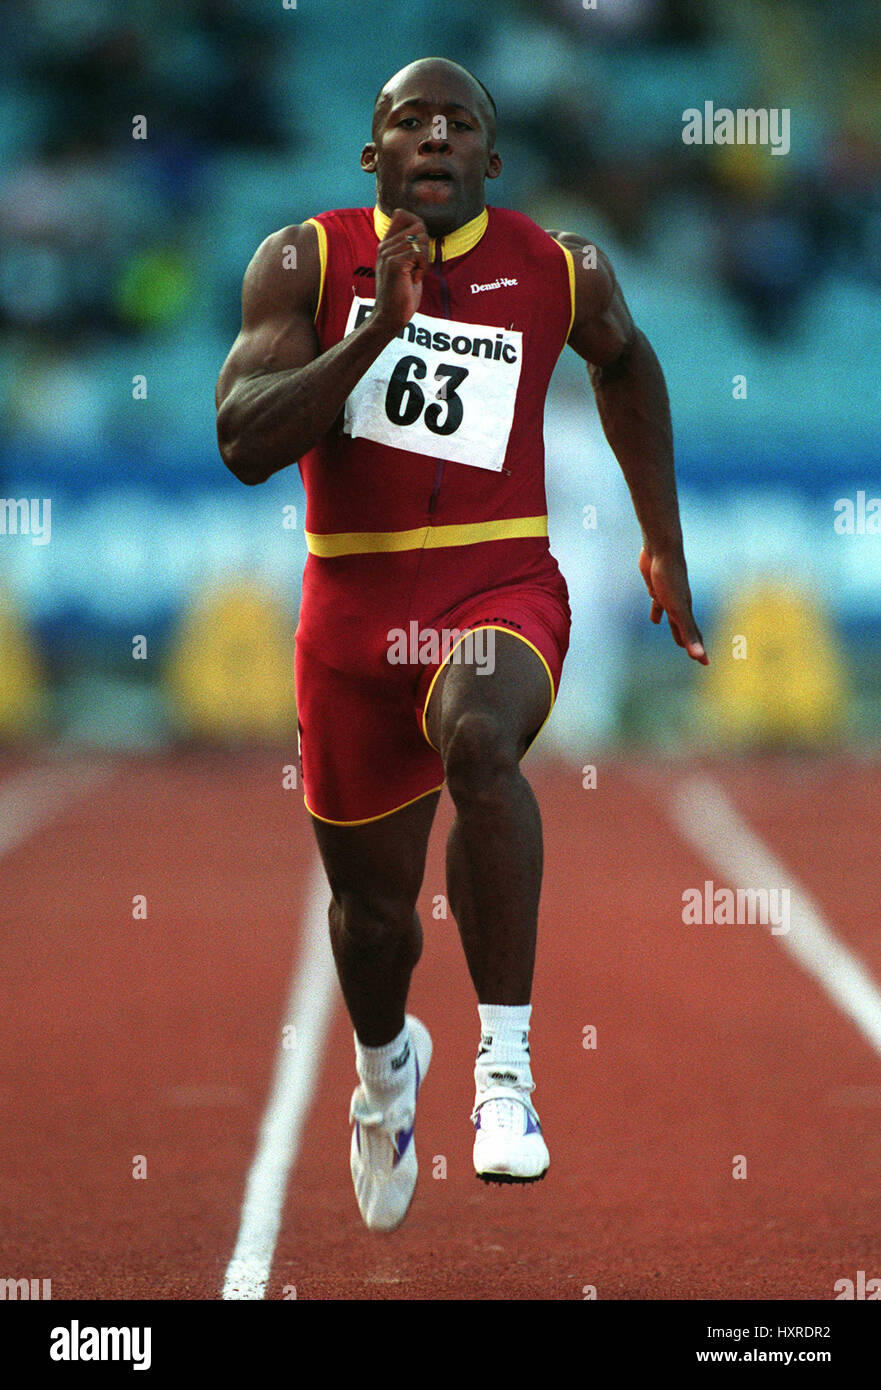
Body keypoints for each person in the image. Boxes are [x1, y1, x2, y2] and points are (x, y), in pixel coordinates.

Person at [215, 57, 708, 1233]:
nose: (432, 135)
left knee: (483, 746)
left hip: (500, 587)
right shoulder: (306, 259)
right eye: (405, 121)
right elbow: (239, 438)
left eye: (459, 123)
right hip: (349, 626)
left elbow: (627, 361)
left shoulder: (556, 266)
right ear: (370, 156)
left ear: (491, 159)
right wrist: (374, 337)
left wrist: (661, 545)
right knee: (372, 928)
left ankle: (504, 1076)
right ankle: (389, 1071)